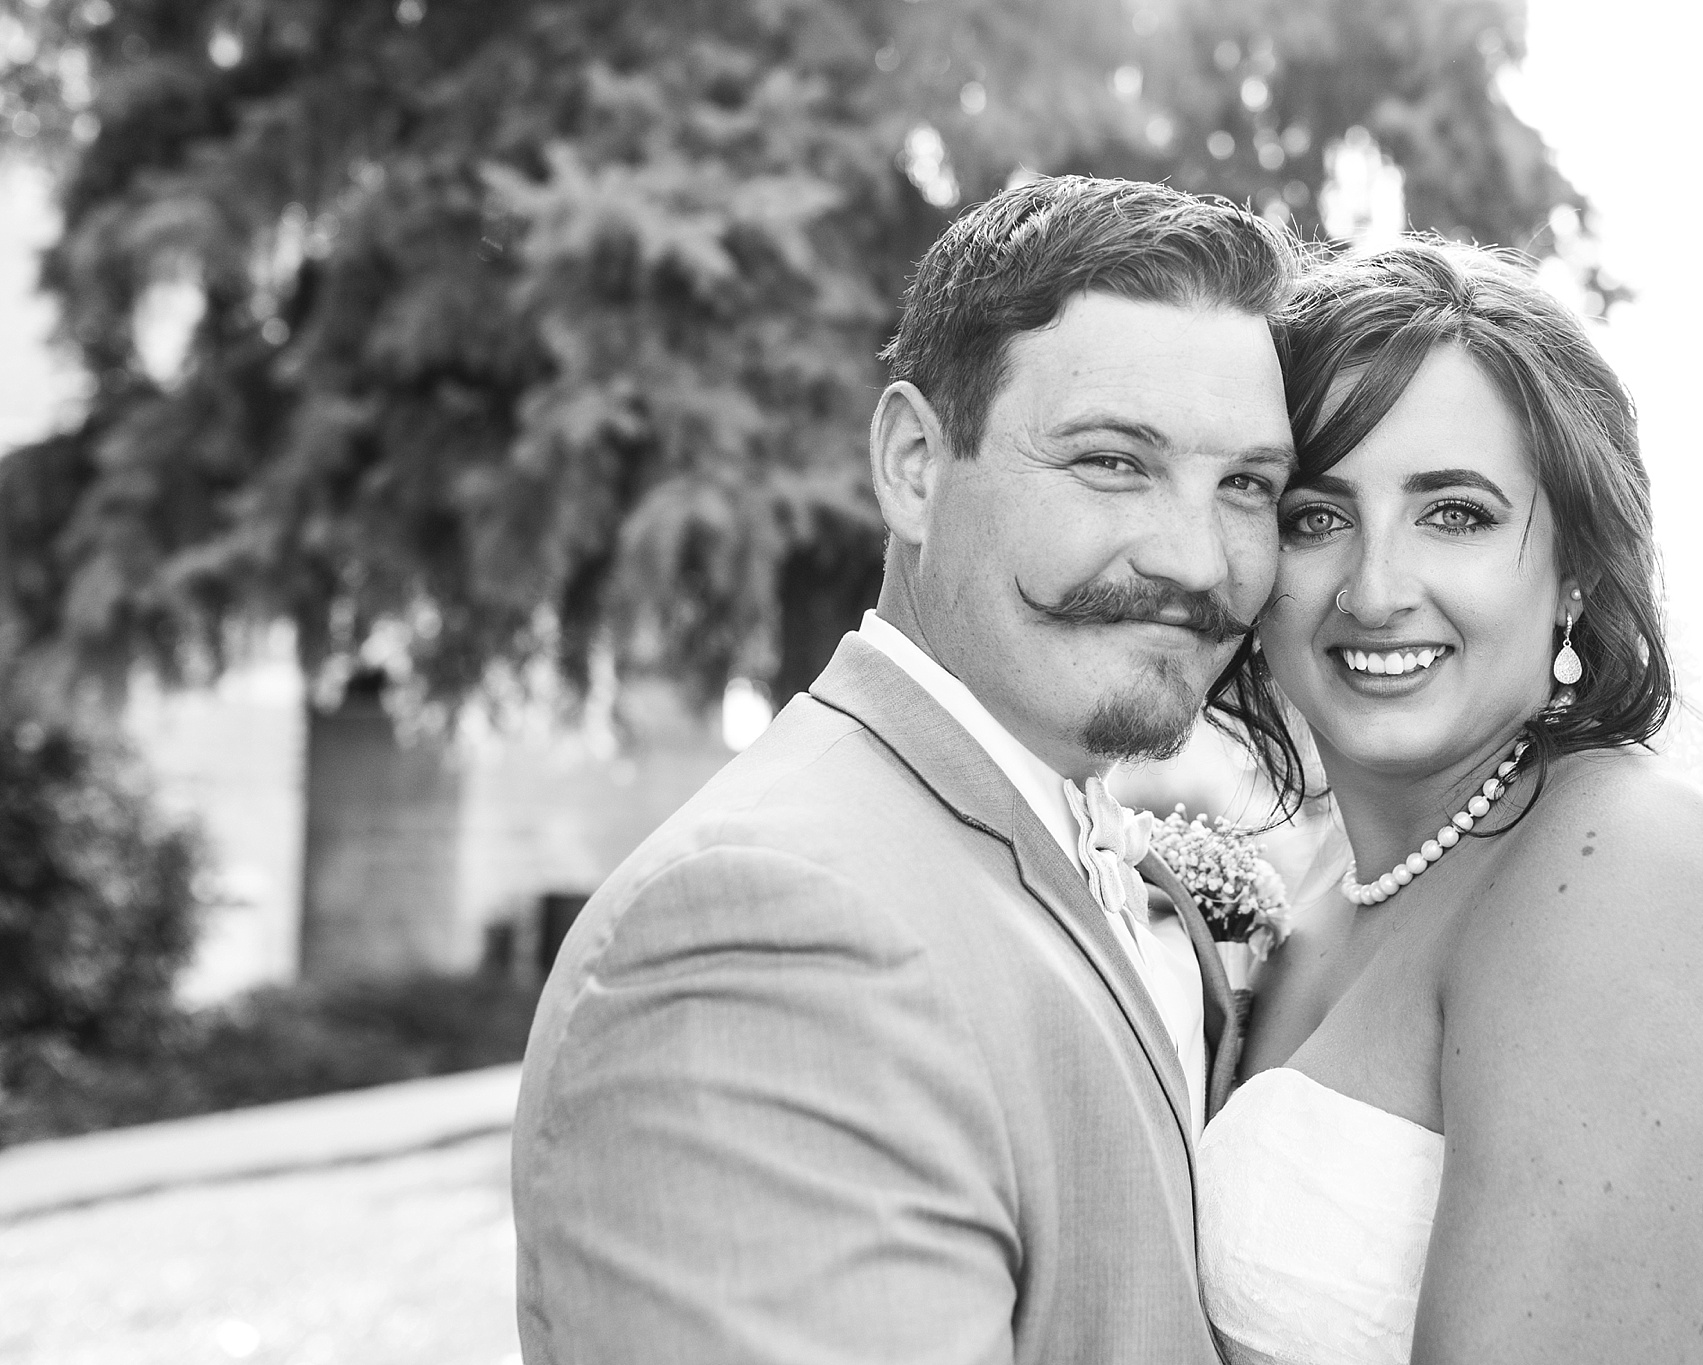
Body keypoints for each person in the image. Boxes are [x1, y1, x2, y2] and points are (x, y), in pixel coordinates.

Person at [510, 175, 1304, 1364]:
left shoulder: (1020, 826)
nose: (1197, 559)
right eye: (1110, 463)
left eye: (1246, 485)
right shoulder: (771, 932)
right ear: (914, 466)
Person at [1197, 241, 1703, 1365]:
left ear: (1579, 569)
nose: (1375, 588)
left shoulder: (1631, 878)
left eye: (1453, 513)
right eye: (1315, 515)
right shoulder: (1327, 884)